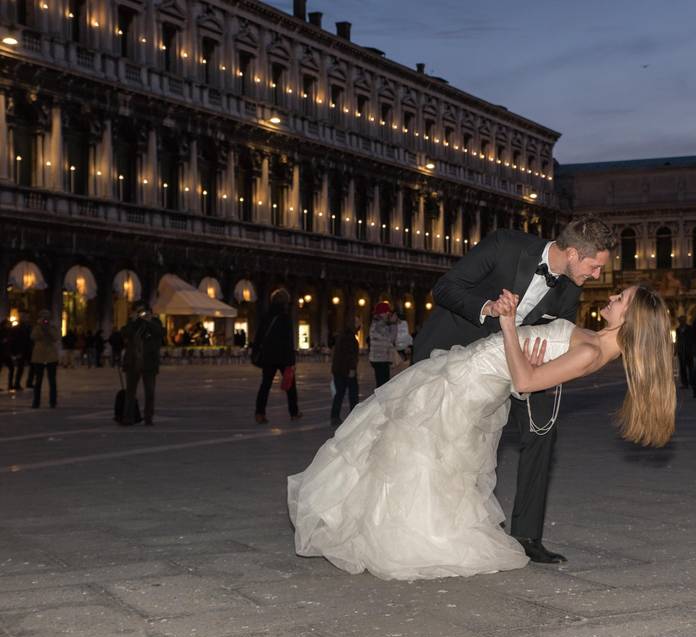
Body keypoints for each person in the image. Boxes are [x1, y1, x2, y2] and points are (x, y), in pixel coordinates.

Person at [288, 285, 675, 580]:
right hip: (469, 372)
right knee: (411, 448)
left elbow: (525, 381)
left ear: (632, 315)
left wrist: (509, 324)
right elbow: (526, 375)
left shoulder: (594, 351)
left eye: (621, 297)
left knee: (414, 449)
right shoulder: (593, 340)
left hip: (467, 384)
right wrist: (523, 356)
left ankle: (405, 538)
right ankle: (397, 528)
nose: (612, 295)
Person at [411, 215, 615, 564]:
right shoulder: (505, 245)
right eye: (594, 266)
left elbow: (558, 329)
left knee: (543, 427)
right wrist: (488, 307)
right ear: (571, 253)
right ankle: (423, 522)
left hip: (515, 363)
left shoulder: (571, 286)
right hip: (452, 351)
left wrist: (542, 359)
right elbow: (444, 288)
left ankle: (527, 535)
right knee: (433, 439)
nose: (597, 276)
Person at [253, 289, 301, 424]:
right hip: (283, 357)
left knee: (265, 385)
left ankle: (259, 413)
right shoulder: (285, 317)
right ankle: (294, 413)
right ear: (285, 302)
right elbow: (288, 341)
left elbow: (259, 336)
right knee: (290, 386)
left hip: (268, 357)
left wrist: (256, 351)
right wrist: (291, 360)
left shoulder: (266, 316)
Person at [121, 302, 164, 426]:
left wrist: (149, 321)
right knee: (130, 392)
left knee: (150, 392)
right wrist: (133, 321)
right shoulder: (133, 323)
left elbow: (160, 334)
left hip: (149, 363)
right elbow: (124, 333)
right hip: (132, 362)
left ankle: (148, 417)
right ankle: (128, 417)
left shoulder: (155, 322)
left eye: (143, 311)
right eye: (139, 312)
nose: (142, 314)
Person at [330, 315, 360, 426]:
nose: (359, 324)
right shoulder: (349, 336)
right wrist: (352, 369)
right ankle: (354, 415)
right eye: (356, 322)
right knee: (353, 394)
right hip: (346, 371)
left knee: (340, 394)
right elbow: (350, 354)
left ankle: (334, 416)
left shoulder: (344, 334)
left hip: (339, 370)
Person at [29, 310, 59, 409]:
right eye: (43, 317)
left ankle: (53, 402)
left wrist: (48, 329)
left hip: (51, 356)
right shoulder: (37, 327)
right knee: (38, 381)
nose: (45, 319)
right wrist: (40, 327)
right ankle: (36, 402)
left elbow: (56, 337)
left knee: (52, 381)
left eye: (47, 317)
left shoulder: (53, 326)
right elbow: (33, 337)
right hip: (39, 356)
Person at [368, 302, 398, 388]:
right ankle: (380, 401)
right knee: (383, 386)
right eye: (386, 312)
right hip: (380, 359)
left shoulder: (379, 323)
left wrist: (392, 323)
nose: (388, 314)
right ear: (381, 313)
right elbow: (391, 338)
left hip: (379, 358)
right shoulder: (379, 324)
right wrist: (393, 323)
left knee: (382, 384)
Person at [8, 314, 31, 390]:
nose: (26, 319)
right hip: (20, 350)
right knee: (20, 368)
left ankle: (28, 382)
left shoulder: (29, 327)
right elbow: (13, 341)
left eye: (27, 317)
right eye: (24, 317)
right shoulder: (16, 328)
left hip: (28, 350)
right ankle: (16, 383)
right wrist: (14, 352)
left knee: (32, 366)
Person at [675, 315, 694, 389]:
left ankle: (692, 382)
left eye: (683, 320)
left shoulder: (689, 328)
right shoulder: (678, 329)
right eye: (680, 320)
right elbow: (678, 340)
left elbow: (692, 339)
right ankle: (685, 383)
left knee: (690, 367)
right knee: (683, 368)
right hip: (681, 350)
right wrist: (676, 349)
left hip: (688, 350)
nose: (681, 321)